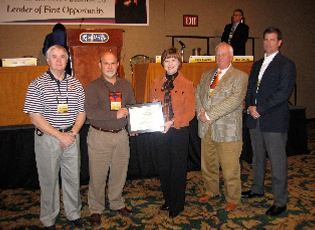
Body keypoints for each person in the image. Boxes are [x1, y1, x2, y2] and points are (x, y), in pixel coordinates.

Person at [23, 45, 86, 230]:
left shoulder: (76, 84)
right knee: (48, 180)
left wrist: (72, 133)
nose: (59, 60)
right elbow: (34, 117)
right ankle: (49, 218)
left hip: (72, 137)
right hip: (48, 139)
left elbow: (81, 112)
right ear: (48, 60)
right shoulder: (37, 84)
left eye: (62, 57)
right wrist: (60, 135)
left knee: (73, 178)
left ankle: (73, 214)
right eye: (55, 57)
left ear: (67, 61)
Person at [242, 27, 296, 216]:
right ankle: (257, 188)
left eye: (272, 40)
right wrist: (249, 106)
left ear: (279, 42)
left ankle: (280, 201)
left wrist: (260, 109)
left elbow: (282, 93)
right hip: (255, 119)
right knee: (257, 157)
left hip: (273, 121)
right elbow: (250, 88)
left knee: (277, 162)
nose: (268, 43)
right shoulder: (257, 64)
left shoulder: (286, 64)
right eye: (266, 40)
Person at [195, 42, 248, 212]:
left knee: (229, 167)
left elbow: (233, 101)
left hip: (227, 130)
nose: (220, 58)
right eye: (217, 55)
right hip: (206, 128)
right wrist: (201, 113)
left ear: (231, 57)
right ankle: (211, 190)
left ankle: (233, 197)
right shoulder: (206, 74)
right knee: (208, 164)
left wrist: (210, 115)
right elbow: (197, 94)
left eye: (223, 54)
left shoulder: (240, 77)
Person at [85, 52, 136, 226]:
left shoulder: (126, 85)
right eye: (106, 63)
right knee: (98, 176)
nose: (109, 66)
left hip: (121, 136)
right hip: (100, 136)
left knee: (119, 174)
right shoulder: (92, 86)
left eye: (112, 63)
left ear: (117, 65)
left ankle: (116, 203)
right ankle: (96, 209)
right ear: (100, 65)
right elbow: (90, 113)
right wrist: (115, 115)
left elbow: (132, 108)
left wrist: (133, 126)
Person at [150, 47, 195, 218]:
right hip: (160, 130)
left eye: (173, 60)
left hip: (178, 130)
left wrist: (172, 122)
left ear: (179, 63)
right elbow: (151, 105)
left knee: (177, 168)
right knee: (163, 167)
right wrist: (153, 106)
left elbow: (191, 112)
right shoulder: (156, 82)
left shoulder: (187, 84)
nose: (170, 64)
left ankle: (177, 204)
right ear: (163, 63)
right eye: (167, 60)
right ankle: (168, 200)